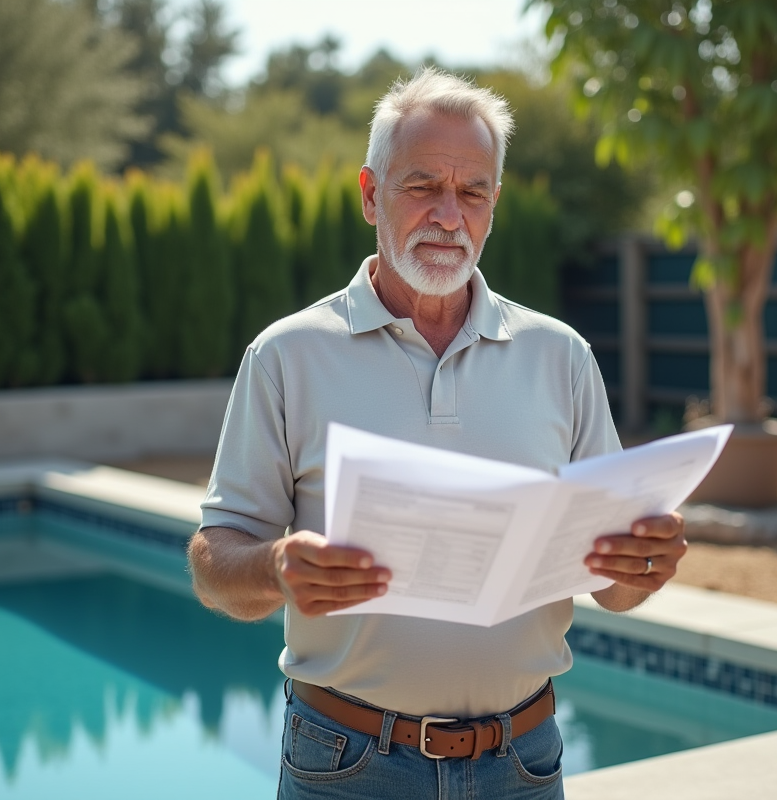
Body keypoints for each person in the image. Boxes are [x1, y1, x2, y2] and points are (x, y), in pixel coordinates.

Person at [187, 67, 687, 800]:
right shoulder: (286, 357)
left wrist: (642, 567)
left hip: (524, 763)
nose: (449, 215)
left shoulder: (562, 357)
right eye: (422, 186)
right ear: (370, 195)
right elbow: (212, 564)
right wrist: (274, 567)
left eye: (473, 191)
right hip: (347, 765)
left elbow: (609, 588)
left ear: (492, 206)